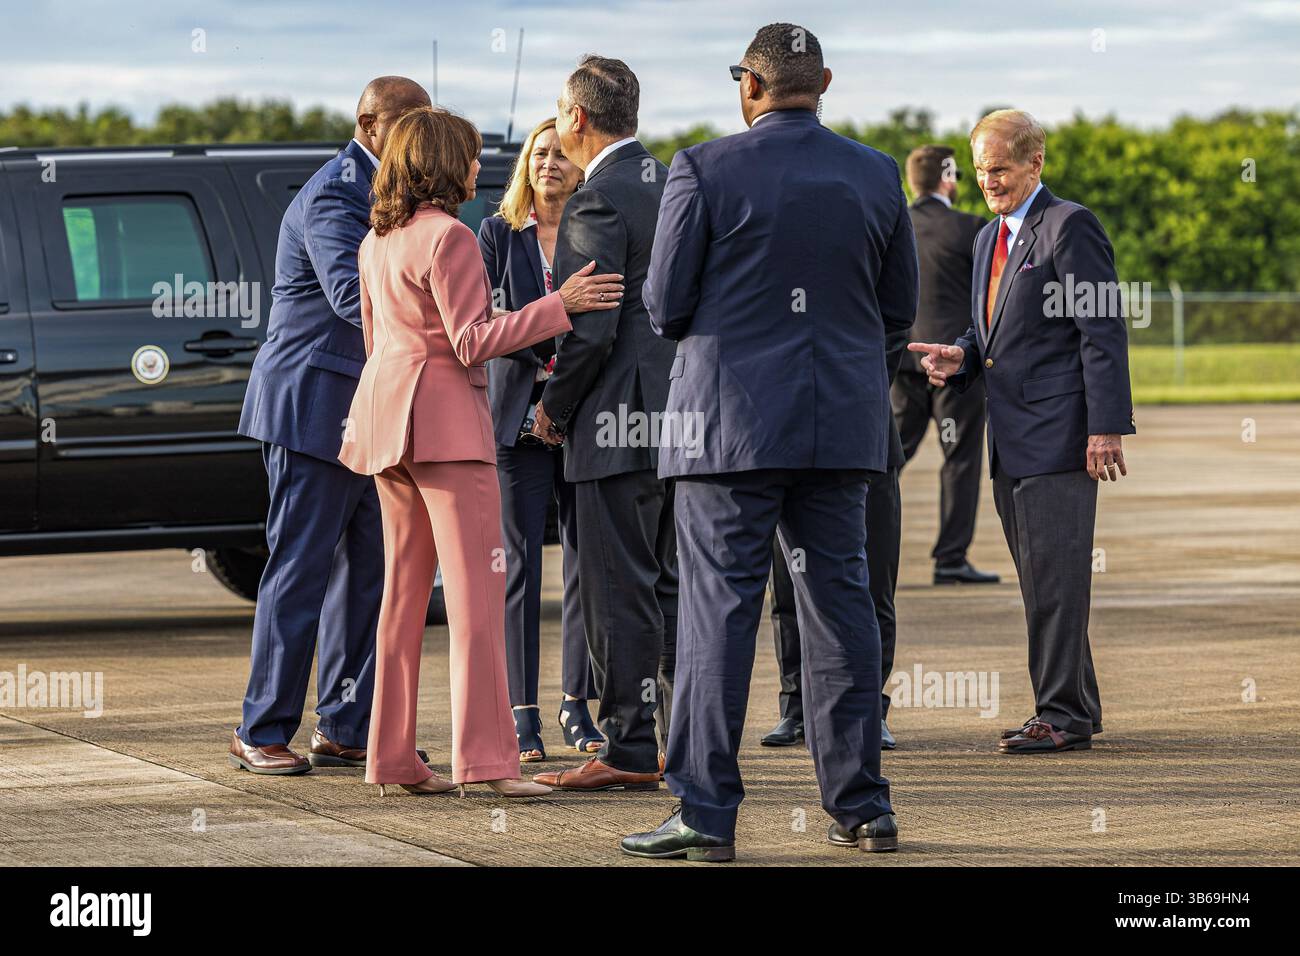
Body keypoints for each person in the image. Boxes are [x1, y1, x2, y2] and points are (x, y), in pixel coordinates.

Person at [623, 23, 918, 862]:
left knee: (718, 620)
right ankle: (863, 806)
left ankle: (706, 815)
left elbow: (667, 305)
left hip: (728, 430)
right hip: (840, 428)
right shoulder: (874, 172)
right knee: (842, 609)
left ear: (747, 84)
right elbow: (898, 308)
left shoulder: (703, 168)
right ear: (823, 80)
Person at [336, 107, 624, 796]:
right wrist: (562, 304)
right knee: (477, 601)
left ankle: (392, 758)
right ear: (440, 163)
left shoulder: (379, 240)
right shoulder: (454, 237)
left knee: (401, 599)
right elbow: (471, 341)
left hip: (386, 427)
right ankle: (491, 766)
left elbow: (377, 343)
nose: (477, 168)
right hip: (446, 431)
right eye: (467, 156)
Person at [909, 109, 1134, 754]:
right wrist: (961, 357)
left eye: (1001, 169)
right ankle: (1079, 705)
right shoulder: (988, 238)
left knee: (1055, 582)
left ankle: (1059, 715)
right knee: (1044, 579)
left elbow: (1101, 330)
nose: (989, 181)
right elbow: (992, 336)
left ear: (1036, 162)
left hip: (1061, 435)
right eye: (981, 171)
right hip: (1010, 440)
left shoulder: (1069, 226)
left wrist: (1106, 427)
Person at [230, 76, 431, 776]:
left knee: (367, 576)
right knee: (301, 571)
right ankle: (260, 727)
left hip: (368, 413)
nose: (417, 137)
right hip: (313, 408)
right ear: (370, 123)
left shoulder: (394, 194)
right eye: (409, 123)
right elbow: (355, 298)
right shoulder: (336, 193)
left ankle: (347, 726)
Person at [530, 56, 678, 794]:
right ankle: (688, 739)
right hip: (688, 422)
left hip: (618, 425)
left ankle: (627, 747)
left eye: (559, 111)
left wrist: (552, 413)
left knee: (619, 589)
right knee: (675, 586)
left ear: (578, 118)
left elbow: (589, 331)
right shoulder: (678, 182)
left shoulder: (599, 201)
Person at [477, 117, 602, 762]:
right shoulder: (496, 234)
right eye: (538, 153)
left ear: (582, 167)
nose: (548, 163)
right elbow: (487, 321)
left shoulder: (593, 231)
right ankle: (520, 710)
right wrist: (554, 314)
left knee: (584, 563)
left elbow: (605, 320)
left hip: (581, 414)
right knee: (520, 566)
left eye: (561, 154)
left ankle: (575, 704)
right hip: (514, 421)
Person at [761, 326, 907, 752]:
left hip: (863, 435)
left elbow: (894, 327)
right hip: (783, 439)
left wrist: (844, 391)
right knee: (787, 585)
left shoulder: (862, 259)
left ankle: (868, 710)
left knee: (873, 581)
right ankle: (795, 707)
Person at [893, 144, 999, 585]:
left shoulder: (894, 227)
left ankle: (855, 547)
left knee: (889, 456)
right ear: (949, 178)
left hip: (904, 360)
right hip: (957, 363)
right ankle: (950, 559)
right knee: (960, 459)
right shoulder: (975, 230)